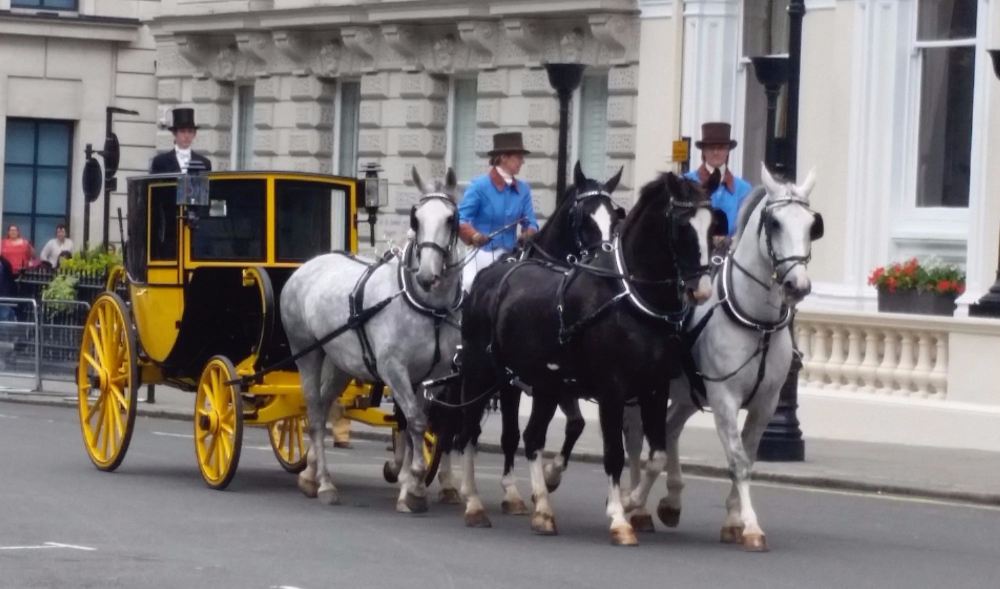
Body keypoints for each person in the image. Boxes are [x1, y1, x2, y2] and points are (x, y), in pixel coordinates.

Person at [457, 132, 539, 291]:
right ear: (503, 157)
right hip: (481, 254)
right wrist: (474, 235)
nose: (522, 161)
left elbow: (531, 222)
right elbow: (461, 219)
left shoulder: (523, 190)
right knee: (468, 285)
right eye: (518, 156)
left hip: (510, 256)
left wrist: (529, 232)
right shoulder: (479, 186)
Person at [684, 122, 753, 249]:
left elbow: (747, 231)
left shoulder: (744, 189)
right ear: (703, 151)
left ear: (727, 151)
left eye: (721, 147)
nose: (716, 152)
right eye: (710, 147)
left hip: (731, 259)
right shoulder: (685, 183)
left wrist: (729, 241)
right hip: (693, 256)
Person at [150, 108, 213, 174]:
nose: (186, 136)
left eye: (190, 131)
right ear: (174, 133)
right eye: (182, 131)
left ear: (194, 134)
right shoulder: (160, 161)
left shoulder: (204, 163)